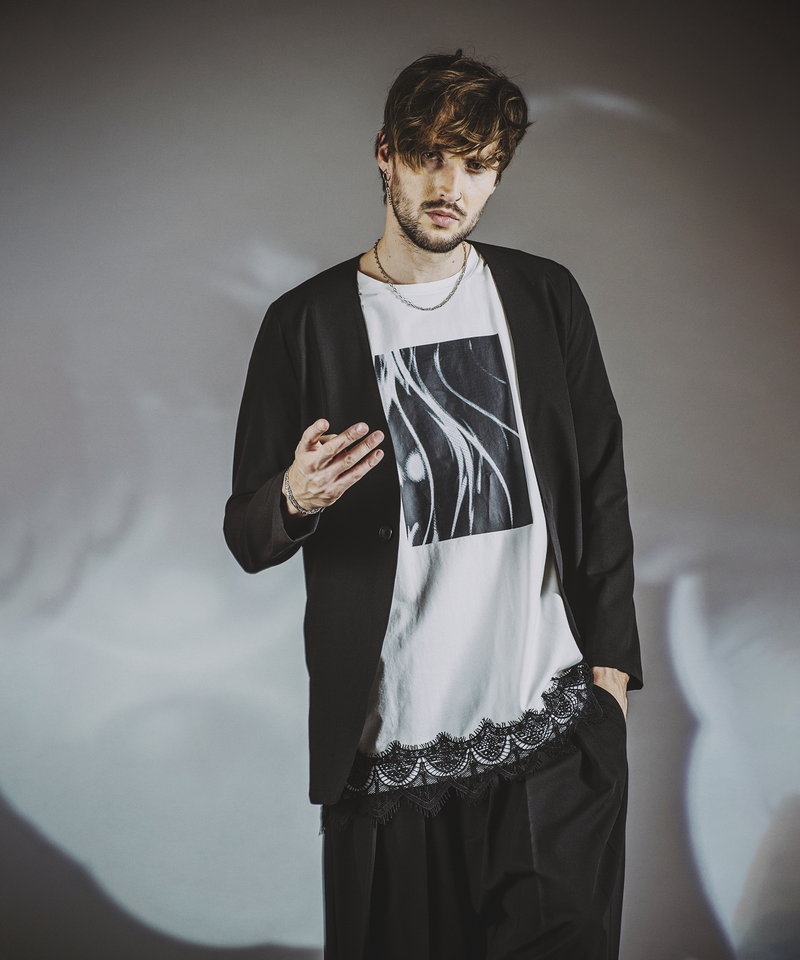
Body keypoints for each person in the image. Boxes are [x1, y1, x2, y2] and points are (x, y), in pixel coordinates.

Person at [224, 49, 642, 960]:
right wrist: (293, 498)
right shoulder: (305, 323)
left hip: (551, 725)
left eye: (479, 165)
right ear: (387, 153)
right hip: (392, 754)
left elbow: (600, 483)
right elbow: (247, 533)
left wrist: (610, 677)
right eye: (431, 156)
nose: (452, 186)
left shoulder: (544, 296)